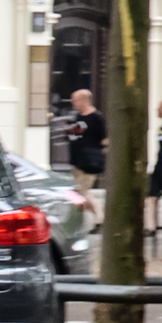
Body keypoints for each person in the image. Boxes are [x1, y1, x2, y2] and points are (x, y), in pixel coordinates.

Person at [67, 88, 107, 223]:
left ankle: (99, 217)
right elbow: (73, 135)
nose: (74, 103)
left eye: (76, 100)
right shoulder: (78, 117)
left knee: (81, 192)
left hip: (89, 162)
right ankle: (95, 216)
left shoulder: (96, 118)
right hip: (78, 161)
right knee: (80, 193)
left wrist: (99, 153)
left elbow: (104, 139)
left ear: (84, 100)